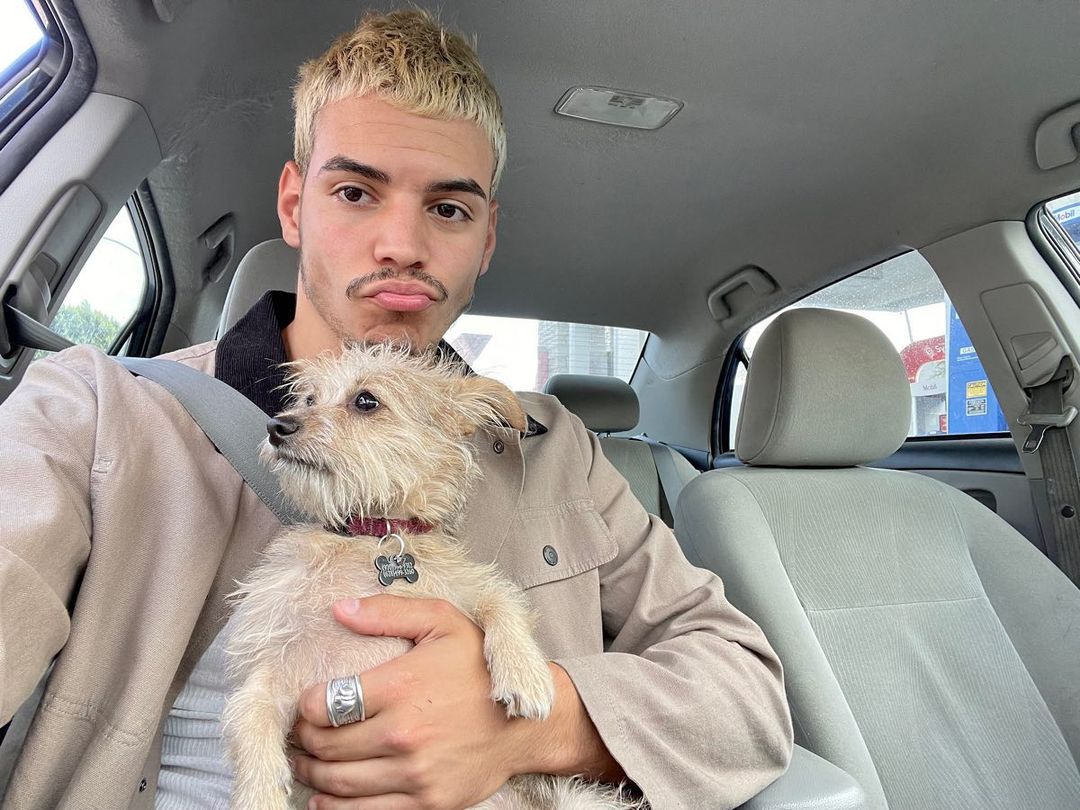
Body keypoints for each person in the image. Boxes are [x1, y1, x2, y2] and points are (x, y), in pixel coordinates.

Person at [0, 9, 792, 809]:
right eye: (355, 191)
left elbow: (747, 696)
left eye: (449, 208)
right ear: (293, 205)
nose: (403, 245)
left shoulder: (557, 452)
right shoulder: (98, 411)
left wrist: (534, 727)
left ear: (486, 238)